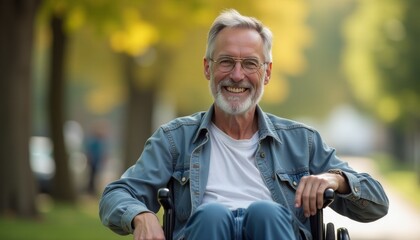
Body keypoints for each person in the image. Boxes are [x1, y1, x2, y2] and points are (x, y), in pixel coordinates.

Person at [99, 9, 389, 240]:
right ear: (207, 68)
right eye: (226, 62)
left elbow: (377, 203)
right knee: (211, 215)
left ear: (267, 73)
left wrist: (335, 179)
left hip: (273, 230)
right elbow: (116, 194)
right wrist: (141, 215)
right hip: (205, 232)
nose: (237, 75)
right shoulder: (175, 139)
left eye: (250, 64)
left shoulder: (302, 142)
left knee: (266, 213)